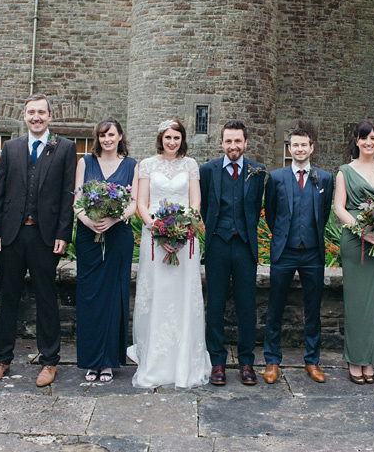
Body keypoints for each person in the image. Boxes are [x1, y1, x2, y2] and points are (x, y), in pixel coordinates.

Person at [0, 94, 77, 387]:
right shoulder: (10, 148)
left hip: (45, 236)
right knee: (7, 298)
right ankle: (2, 359)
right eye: (30, 112)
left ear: (50, 116)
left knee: (46, 299)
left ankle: (48, 361)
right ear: (24, 116)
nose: (36, 117)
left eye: (41, 112)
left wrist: (64, 233)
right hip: (10, 235)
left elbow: (67, 195)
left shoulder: (65, 148)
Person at [127, 119, 211, 389]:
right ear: (160, 139)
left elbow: (195, 201)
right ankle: (155, 358)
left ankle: (186, 357)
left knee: (183, 294)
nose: (172, 142)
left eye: (176, 138)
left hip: (186, 237)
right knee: (159, 293)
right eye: (168, 137)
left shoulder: (191, 165)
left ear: (182, 139)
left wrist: (185, 228)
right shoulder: (147, 164)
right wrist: (158, 230)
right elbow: (141, 202)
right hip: (155, 237)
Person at [263, 128, 334, 384]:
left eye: (304, 145)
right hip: (284, 252)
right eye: (295, 145)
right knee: (275, 308)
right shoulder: (276, 177)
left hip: (313, 253)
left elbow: (324, 214)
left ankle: (312, 360)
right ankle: (272, 360)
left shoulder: (324, 178)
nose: (300, 149)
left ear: (311, 148)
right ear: (289, 148)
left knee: (313, 309)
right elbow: (271, 214)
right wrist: (284, 236)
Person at [199, 120, 267, 386]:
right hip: (217, 244)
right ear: (222, 142)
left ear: (245, 143)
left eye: (238, 141)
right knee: (215, 305)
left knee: (246, 306)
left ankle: (246, 362)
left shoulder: (257, 171)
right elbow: (204, 206)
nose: (233, 146)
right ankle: (217, 362)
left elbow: (257, 207)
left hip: (245, 245)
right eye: (228, 141)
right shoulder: (208, 170)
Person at [73, 117, 138, 384]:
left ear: (120, 136)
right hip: (89, 236)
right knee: (90, 297)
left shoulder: (133, 165)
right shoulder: (85, 163)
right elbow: (77, 199)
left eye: (111, 134)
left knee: (114, 297)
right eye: (102, 136)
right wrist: (89, 221)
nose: (107, 139)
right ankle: (91, 361)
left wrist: (113, 219)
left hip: (118, 236)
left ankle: (109, 362)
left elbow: (133, 203)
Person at [334, 120, 374, 384]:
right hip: (356, 240)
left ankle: (370, 359)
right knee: (357, 302)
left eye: (373, 138)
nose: (369, 142)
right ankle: (355, 359)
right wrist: (363, 231)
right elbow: (340, 208)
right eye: (364, 138)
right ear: (356, 141)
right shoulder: (344, 171)